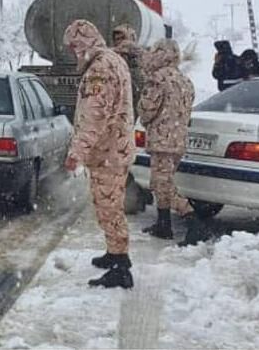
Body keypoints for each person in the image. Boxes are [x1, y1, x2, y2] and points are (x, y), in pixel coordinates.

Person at [63, 20, 135, 289]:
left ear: (82, 43)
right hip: (114, 149)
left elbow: (95, 115)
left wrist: (76, 153)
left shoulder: (99, 69)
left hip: (108, 153)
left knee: (109, 207)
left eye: (73, 46)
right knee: (109, 205)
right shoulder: (112, 60)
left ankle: (120, 267)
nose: (72, 52)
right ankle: (113, 252)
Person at [137, 39, 202, 241]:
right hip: (178, 140)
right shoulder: (184, 80)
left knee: (161, 185)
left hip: (161, 141)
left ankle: (192, 220)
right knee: (162, 181)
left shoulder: (157, 79)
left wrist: (143, 114)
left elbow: (147, 110)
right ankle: (163, 224)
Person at [112, 24, 144, 119]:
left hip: (126, 102)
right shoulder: (144, 55)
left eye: (121, 38)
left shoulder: (113, 55)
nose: (118, 41)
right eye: (116, 39)